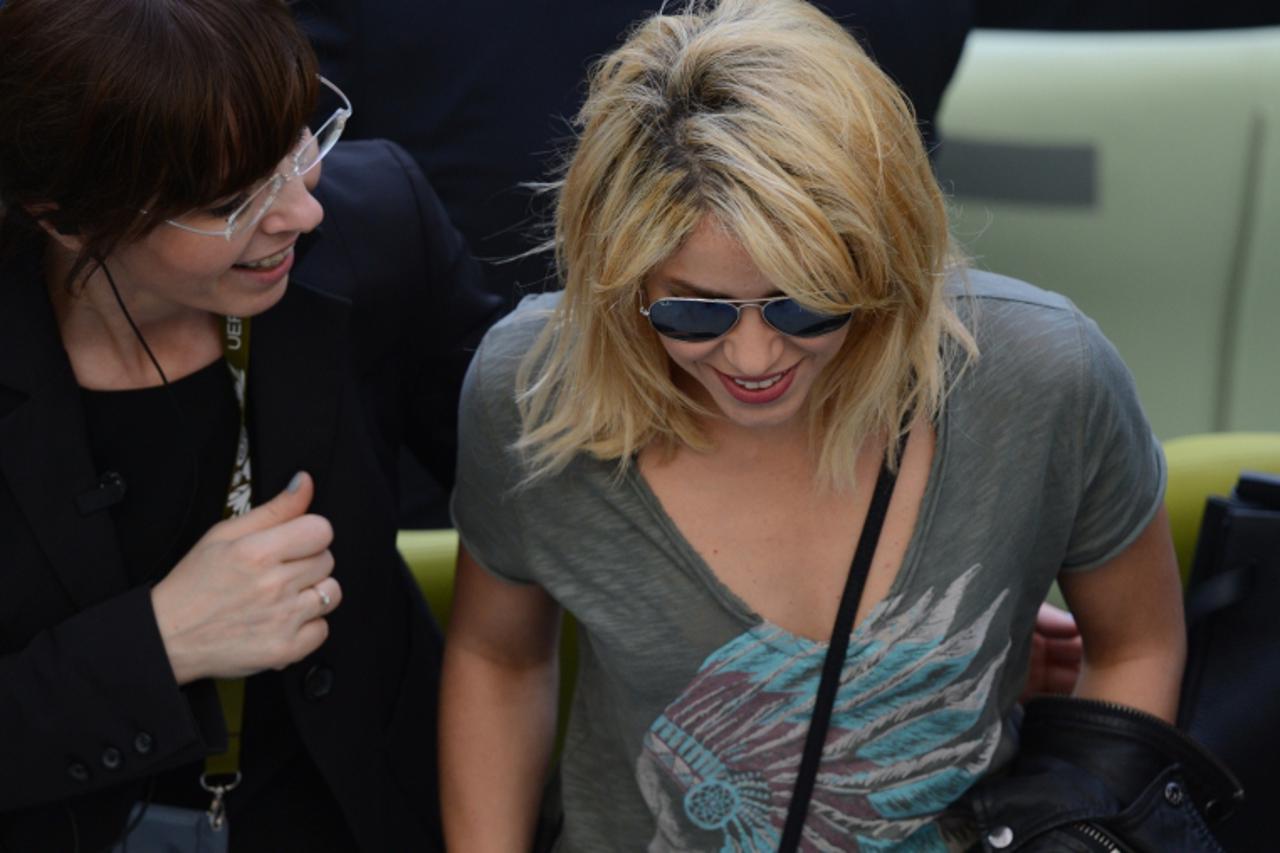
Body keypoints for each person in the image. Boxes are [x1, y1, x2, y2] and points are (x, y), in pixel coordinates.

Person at [439, 0, 1188, 849]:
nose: (753, 357)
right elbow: (499, 659)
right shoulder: (535, 389)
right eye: (692, 313)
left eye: (807, 303)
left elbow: (1137, 640)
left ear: (887, 259)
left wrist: (1093, 825)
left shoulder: (1046, 375)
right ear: (623, 283)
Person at [0, 0, 497, 850]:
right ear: (64, 216)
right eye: (232, 199)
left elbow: (546, 486)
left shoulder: (376, 230)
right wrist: (156, 645)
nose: (301, 213)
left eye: (296, 144)